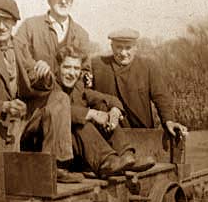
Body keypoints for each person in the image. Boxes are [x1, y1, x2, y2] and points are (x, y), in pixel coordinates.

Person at [0, 0, 83, 183]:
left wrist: (45, 75)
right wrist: (5, 107)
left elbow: (31, 75)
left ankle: (53, 165)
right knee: (10, 178)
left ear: (13, 24)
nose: (1, 27)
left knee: (59, 98)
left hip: (20, 117)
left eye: (7, 21)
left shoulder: (18, 45)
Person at [55, 45, 156, 176]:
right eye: (67, 67)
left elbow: (104, 98)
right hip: (57, 153)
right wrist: (91, 114)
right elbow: (57, 111)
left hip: (78, 150)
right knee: (83, 122)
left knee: (102, 107)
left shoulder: (77, 87)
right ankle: (106, 162)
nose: (72, 73)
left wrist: (114, 111)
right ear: (57, 67)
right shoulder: (50, 85)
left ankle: (127, 156)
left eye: (76, 68)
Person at [91, 29, 188, 136]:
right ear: (112, 46)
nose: (123, 53)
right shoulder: (97, 65)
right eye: (119, 47)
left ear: (136, 47)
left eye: (128, 48)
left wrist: (169, 121)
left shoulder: (148, 67)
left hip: (141, 133)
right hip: (106, 134)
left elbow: (161, 97)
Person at [14, 0, 92, 81]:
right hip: (38, 91)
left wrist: (85, 76)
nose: (63, 2)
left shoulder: (82, 34)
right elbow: (18, 51)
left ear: (72, 1)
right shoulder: (30, 26)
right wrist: (35, 66)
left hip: (69, 94)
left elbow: (85, 68)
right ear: (49, 1)